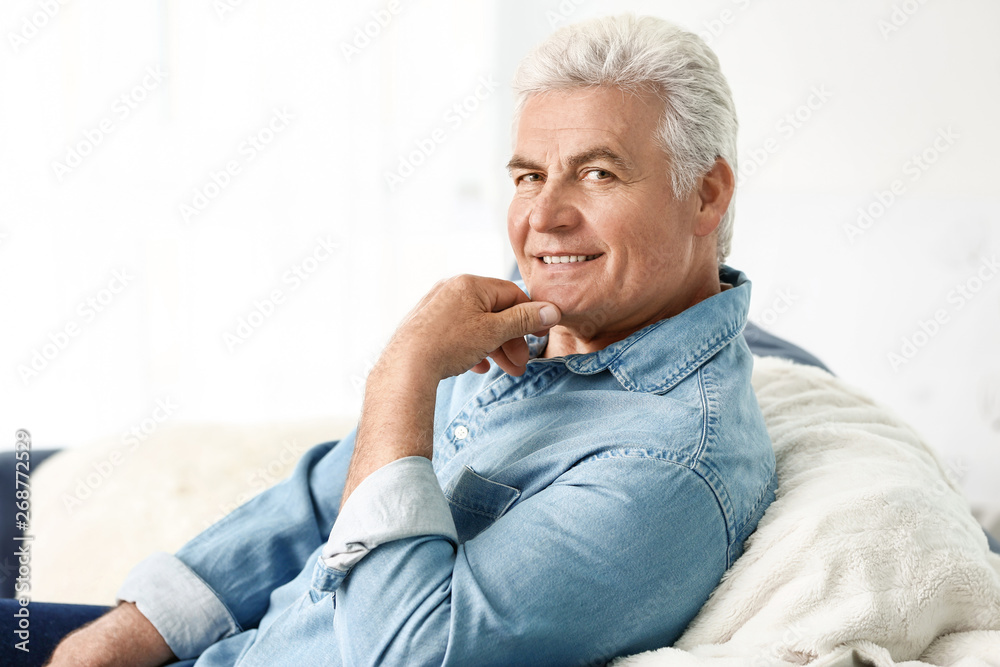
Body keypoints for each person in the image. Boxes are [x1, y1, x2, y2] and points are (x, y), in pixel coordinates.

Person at [41, 14, 777, 666]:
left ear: (707, 193)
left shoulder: (669, 461)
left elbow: (408, 650)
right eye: (528, 175)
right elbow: (320, 499)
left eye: (597, 172)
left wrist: (403, 375)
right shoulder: (532, 321)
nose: (543, 216)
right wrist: (119, 636)